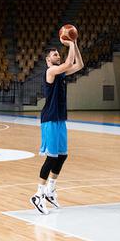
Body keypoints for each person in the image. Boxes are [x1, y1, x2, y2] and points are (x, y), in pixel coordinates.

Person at [30, 38, 83, 215]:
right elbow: (69, 62)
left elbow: (79, 64)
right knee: (51, 157)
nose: (58, 56)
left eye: (58, 54)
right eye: (55, 54)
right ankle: (38, 195)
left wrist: (74, 43)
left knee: (62, 156)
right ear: (48, 60)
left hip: (60, 118)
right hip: (50, 118)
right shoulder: (51, 71)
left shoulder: (61, 73)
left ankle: (50, 191)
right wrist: (70, 44)